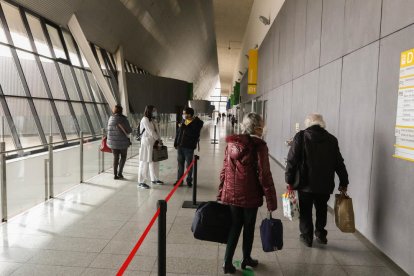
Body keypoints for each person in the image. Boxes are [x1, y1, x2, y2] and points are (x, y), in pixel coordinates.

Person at [217, 113, 277, 274]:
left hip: (231, 193)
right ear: (258, 127)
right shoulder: (259, 146)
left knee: (235, 226)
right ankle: (246, 258)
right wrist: (271, 201)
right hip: (250, 195)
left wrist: (221, 192)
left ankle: (227, 263)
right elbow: (264, 175)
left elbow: (224, 169)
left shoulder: (231, 144)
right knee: (248, 227)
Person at [285, 113, 349, 247]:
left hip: (305, 183)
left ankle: (307, 236)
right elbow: (339, 163)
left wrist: (289, 179)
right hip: (324, 184)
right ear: (322, 123)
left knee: (306, 210)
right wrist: (344, 181)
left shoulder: (301, 136)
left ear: (308, 123)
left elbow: (292, 160)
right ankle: (320, 233)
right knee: (321, 209)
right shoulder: (332, 139)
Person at [174, 107, 203, 187]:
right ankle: (179, 181)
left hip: (189, 147)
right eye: (183, 113)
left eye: (185, 113)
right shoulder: (184, 121)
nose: (183, 115)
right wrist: (176, 142)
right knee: (180, 165)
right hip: (180, 146)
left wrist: (183, 126)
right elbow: (179, 132)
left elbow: (194, 134)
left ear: (190, 114)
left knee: (189, 165)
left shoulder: (197, 123)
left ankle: (189, 180)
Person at [138, 105, 164, 189]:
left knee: (155, 161)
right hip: (146, 143)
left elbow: (157, 131)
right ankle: (141, 182)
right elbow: (150, 131)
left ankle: (155, 179)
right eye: (154, 110)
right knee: (145, 161)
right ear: (149, 111)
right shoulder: (144, 119)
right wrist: (158, 139)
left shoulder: (153, 120)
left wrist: (159, 139)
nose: (155, 112)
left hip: (154, 143)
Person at [106, 105, 132, 180]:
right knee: (123, 157)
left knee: (115, 158)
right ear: (121, 111)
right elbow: (129, 130)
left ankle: (115, 174)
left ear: (114, 110)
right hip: (123, 143)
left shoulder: (111, 118)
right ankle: (120, 173)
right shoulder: (123, 119)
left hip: (113, 143)